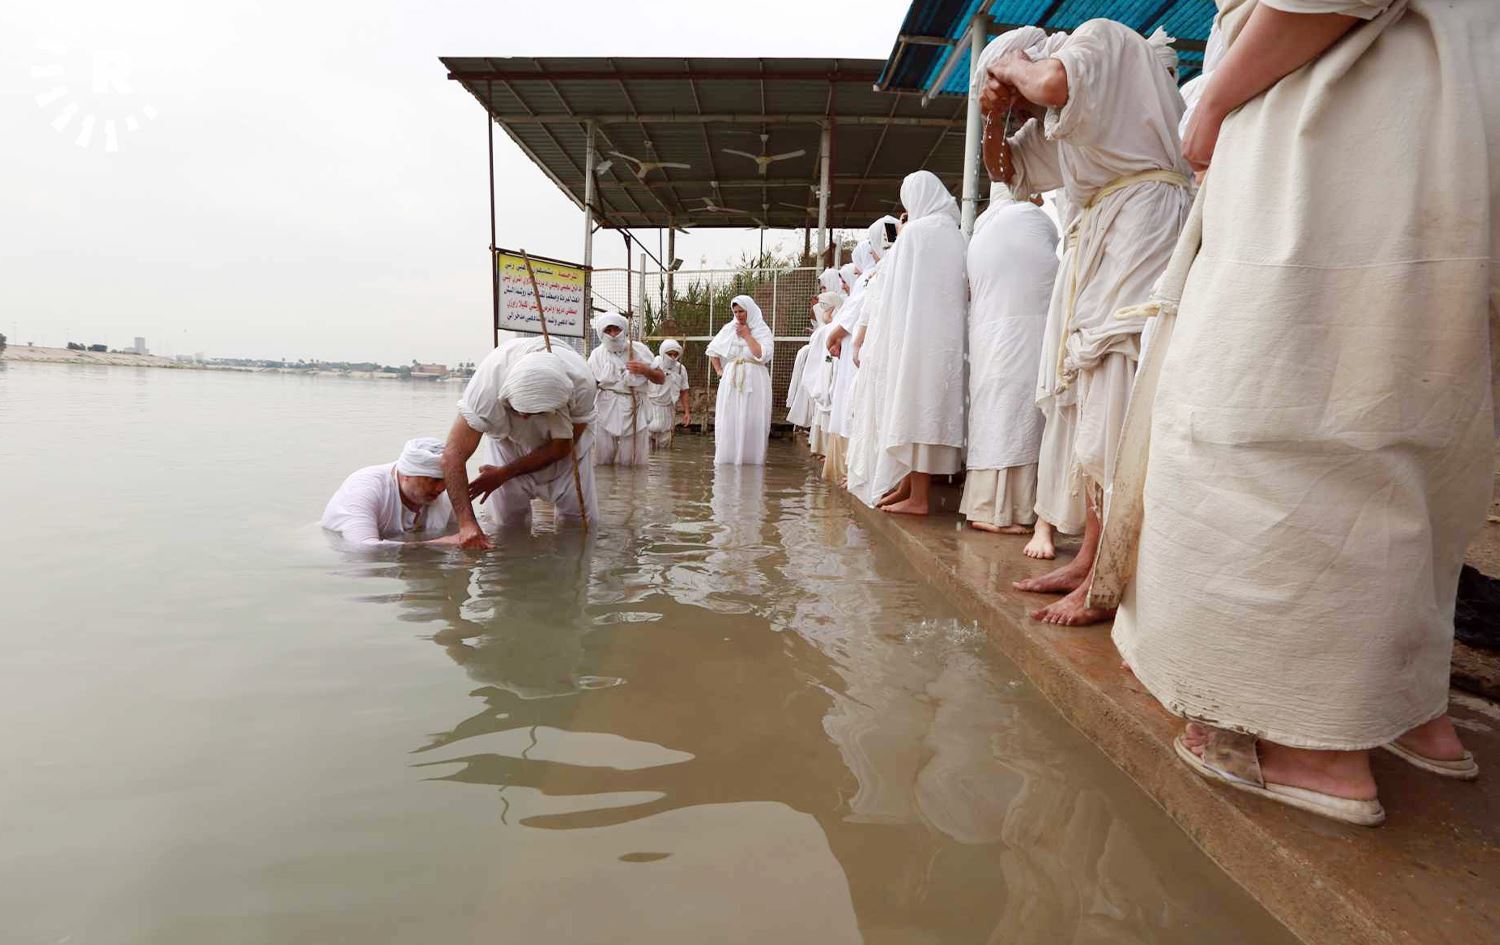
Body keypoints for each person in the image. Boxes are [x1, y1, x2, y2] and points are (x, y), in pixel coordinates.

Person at [1093, 0, 1500, 826]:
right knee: (1397, 422)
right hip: (1443, 107)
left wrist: (1212, 102)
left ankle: (1305, 743)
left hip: (1334, 119)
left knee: (1276, 410)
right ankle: (1407, 709)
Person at [980, 19, 1192, 624]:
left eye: (1008, 88)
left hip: (1146, 218)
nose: (1017, 104)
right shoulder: (1062, 112)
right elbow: (1007, 172)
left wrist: (1012, 77)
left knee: (1121, 378)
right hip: (1104, 231)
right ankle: (1092, 556)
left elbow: (1047, 83)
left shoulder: (1097, 40)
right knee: (1093, 391)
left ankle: (1112, 569)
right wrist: (993, 118)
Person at [845, 171, 968, 515]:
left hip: (914, 336)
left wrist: (902, 234)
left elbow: (890, 284)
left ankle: (918, 498)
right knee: (927, 408)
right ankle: (908, 487)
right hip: (945, 340)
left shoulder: (915, 233)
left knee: (911, 407)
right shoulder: (955, 236)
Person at [959, 179, 1060, 549]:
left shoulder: (982, 230)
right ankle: (1010, 511)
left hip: (988, 340)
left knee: (991, 414)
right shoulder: (1031, 219)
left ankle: (983, 507)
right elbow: (1053, 271)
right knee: (1021, 414)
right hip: (1024, 334)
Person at [442, 336, 598, 549]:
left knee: (577, 526)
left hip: (566, 448)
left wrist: (505, 473)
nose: (525, 418)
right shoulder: (487, 386)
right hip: (507, 444)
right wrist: (466, 523)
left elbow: (562, 447)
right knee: (506, 527)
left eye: (536, 413)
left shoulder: (582, 384)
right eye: (519, 411)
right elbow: (453, 454)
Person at [321, 436, 457, 546]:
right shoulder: (365, 488)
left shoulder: (443, 498)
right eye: (433, 480)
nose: (441, 488)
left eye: (445, 480)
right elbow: (362, 548)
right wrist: (438, 543)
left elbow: (459, 535)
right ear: (407, 474)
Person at [706, 294, 774, 465]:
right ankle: (728, 458)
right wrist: (720, 371)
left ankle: (751, 460)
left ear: (749, 310)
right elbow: (713, 351)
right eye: (735, 311)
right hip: (731, 379)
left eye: (741, 311)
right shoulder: (729, 328)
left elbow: (762, 354)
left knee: (752, 418)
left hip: (755, 378)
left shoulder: (762, 329)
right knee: (730, 417)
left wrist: (747, 335)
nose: (738, 315)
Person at [587, 312, 663, 466]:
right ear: (602, 334)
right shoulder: (596, 355)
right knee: (602, 460)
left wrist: (644, 370)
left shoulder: (639, 350)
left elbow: (660, 378)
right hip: (604, 407)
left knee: (633, 462)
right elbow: (589, 385)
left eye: (617, 330)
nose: (613, 334)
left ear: (624, 331)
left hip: (634, 407)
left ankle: (631, 489)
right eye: (608, 331)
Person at [647, 338, 691, 450]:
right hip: (650, 407)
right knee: (646, 445)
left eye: (675, 354)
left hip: (668, 409)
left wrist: (687, 412)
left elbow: (684, 391)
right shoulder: (653, 365)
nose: (672, 357)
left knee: (665, 445)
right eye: (669, 354)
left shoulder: (680, 369)